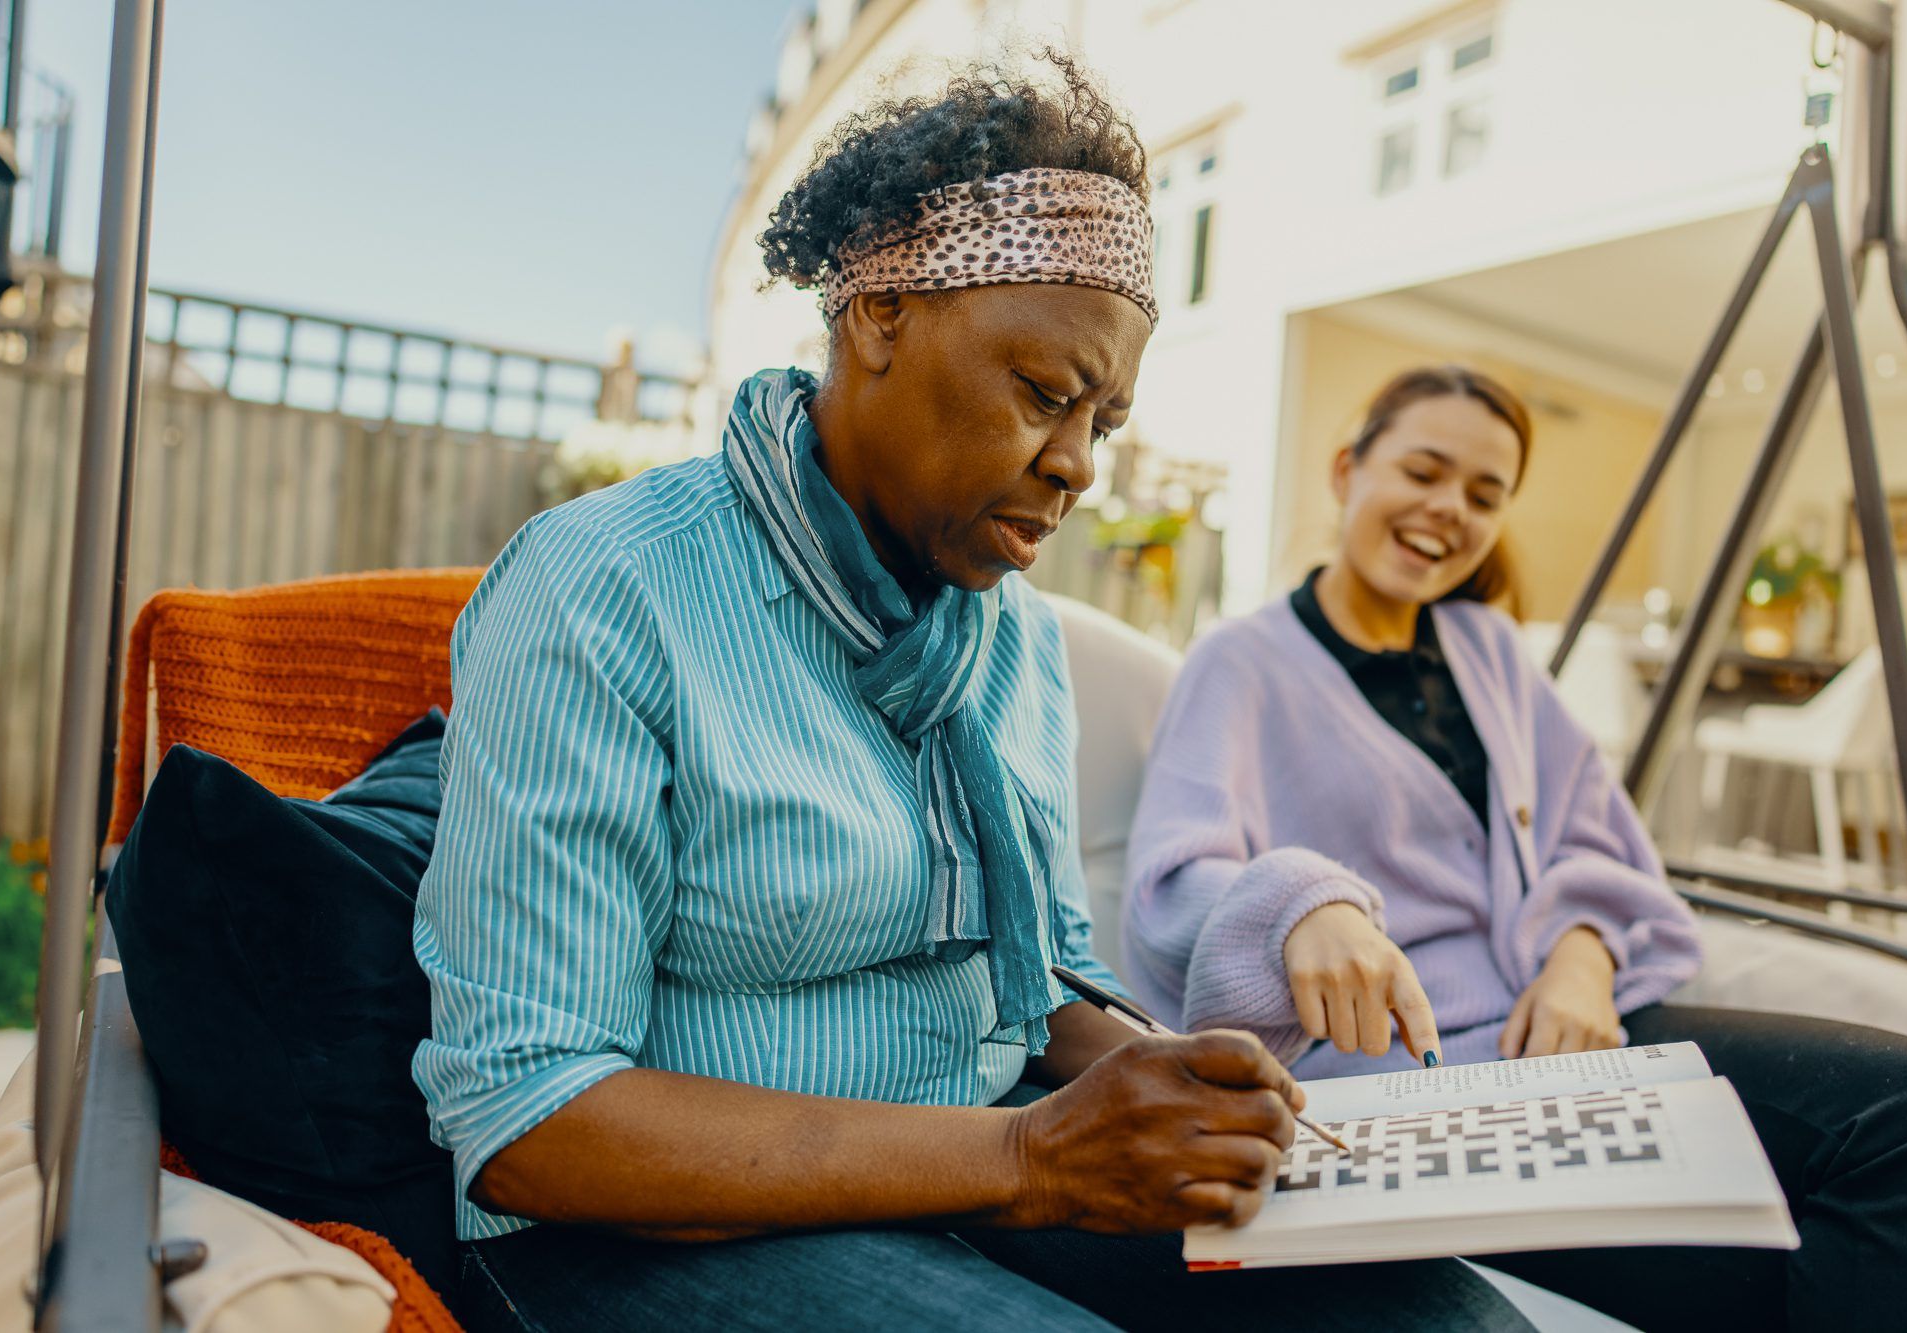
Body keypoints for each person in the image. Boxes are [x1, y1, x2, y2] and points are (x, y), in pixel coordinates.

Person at [412, 61, 1528, 1332]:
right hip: (645, 1219)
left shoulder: (1009, 634)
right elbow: (530, 1119)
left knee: (1442, 1319)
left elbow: (1033, 986)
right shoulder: (602, 588)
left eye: (1102, 419)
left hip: (972, 1151)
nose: (1075, 466)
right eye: (1045, 395)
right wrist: (1029, 1161)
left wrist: (1209, 1100)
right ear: (879, 313)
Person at [1122, 364, 1907, 1331]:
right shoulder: (1242, 660)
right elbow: (1173, 882)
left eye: (1483, 494)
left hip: (1584, 1034)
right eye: (1423, 471)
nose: (1448, 510)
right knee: (1772, 1266)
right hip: (1417, 1091)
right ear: (1348, 469)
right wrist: (1308, 903)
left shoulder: (1492, 648)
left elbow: (1596, 833)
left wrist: (1583, 957)